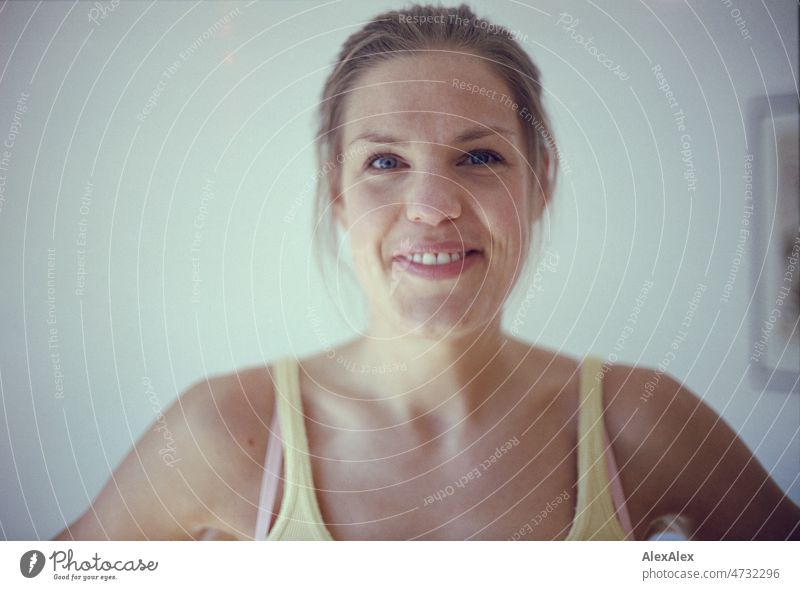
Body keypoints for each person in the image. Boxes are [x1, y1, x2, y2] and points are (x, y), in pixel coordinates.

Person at [53, 3, 800, 541]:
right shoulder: (227, 432)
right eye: (385, 162)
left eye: (479, 157)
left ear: (540, 182)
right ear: (338, 193)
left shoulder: (640, 420)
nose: (434, 205)